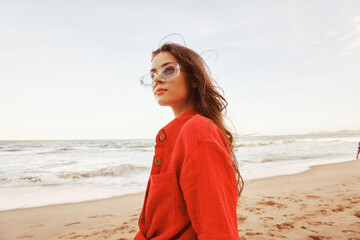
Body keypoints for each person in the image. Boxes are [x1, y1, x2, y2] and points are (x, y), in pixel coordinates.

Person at [134, 42, 243, 240]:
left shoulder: (199, 130)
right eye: (152, 75)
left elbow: (217, 231)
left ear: (194, 78)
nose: (157, 79)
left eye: (168, 70)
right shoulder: (175, 134)